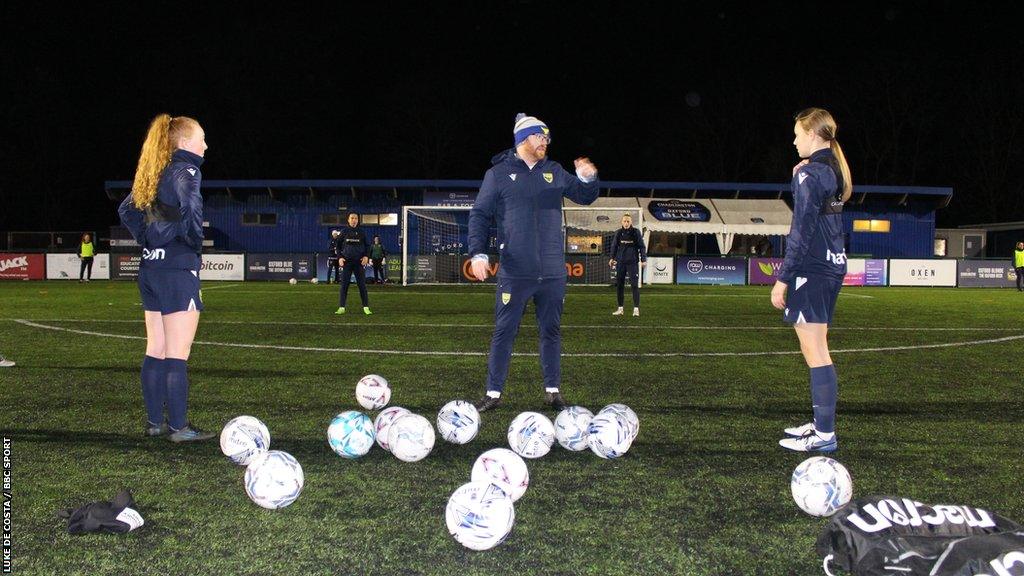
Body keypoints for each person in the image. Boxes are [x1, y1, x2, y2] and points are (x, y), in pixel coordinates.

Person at [468, 113, 600, 412]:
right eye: (541, 137)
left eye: (547, 138)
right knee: (505, 331)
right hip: (515, 271)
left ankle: (553, 391)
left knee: (551, 331)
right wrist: (478, 253)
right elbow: (479, 215)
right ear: (524, 139)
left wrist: (588, 179)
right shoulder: (498, 174)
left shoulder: (554, 170)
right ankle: (493, 392)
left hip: (553, 271)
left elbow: (584, 196)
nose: (546, 142)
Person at [117, 113, 213, 442]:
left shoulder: (153, 171)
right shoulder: (187, 169)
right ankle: (179, 428)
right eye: (201, 138)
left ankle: (155, 422)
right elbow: (191, 207)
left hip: (150, 268)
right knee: (176, 353)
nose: (205, 144)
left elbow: (126, 209)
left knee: (155, 348)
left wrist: (148, 239)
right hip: (176, 267)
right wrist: (191, 244)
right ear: (185, 143)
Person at [772, 107, 853, 453]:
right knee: (815, 347)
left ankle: (824, 435)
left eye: (797, 134)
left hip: (812, 268)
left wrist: (783, 278)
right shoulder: (828, 169)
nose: (793, 140)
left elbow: (801, 231)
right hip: (830, 265)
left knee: (815, 349)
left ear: (812, 135)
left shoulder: (809, 175)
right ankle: (821, 427)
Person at [609, 214, 647, 317]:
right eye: (624, 221)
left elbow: (642, 247)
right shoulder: (618, 233)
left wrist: (643, 259)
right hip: (620, 263)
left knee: (634, 285)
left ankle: (636, 309)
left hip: (633, 263)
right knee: (620, 286)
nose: (626, 223)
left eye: (628, 221)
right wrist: (612, 258)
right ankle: (620, 309)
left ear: (631, 223)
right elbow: (614, 246)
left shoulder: (636, 232)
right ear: (621, 222)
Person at [335, 213, 371, 315]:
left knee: (362, 285)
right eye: (352, 218)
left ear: (358, 220)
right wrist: (340, 257)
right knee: (344, 285)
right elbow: (337, 246)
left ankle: (366, 307)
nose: (354, 220)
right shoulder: (344, 232)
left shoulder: (361, 232)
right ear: (348, 220)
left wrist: (366, 256)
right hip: (347, 262)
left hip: (358, 263)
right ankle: (341, 307)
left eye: (355, 218)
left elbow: (367, 246)